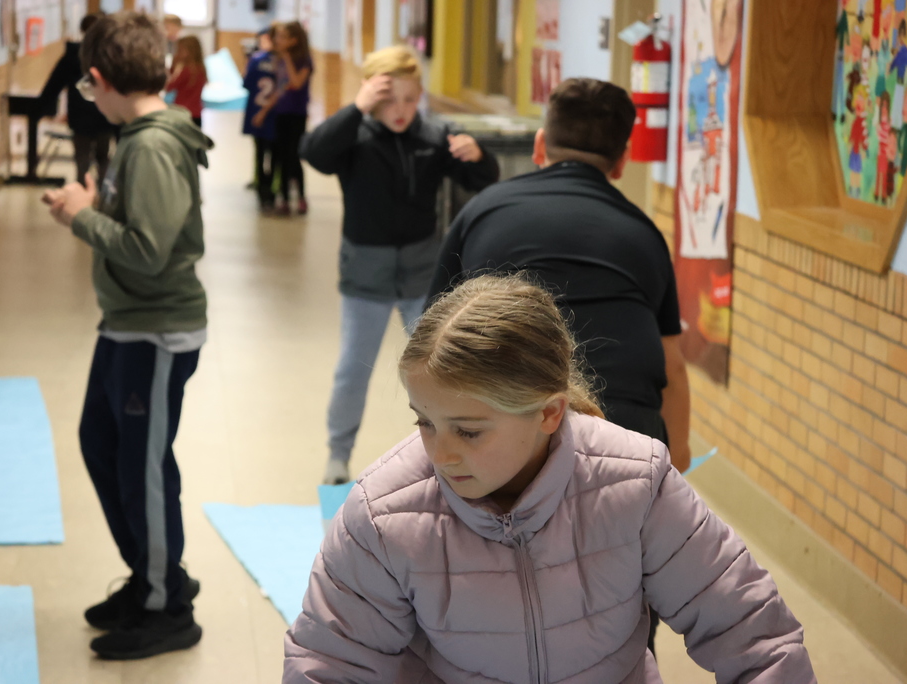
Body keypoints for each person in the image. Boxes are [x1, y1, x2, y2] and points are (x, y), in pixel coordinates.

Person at [283, 273, 816, 683]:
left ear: (548, 413)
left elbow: (753, 634)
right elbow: (328, 665)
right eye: (424, 421)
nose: (440, 453)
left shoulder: (635, 483)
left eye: (468, 431)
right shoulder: (383, 515)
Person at [426, 79, 690, 656]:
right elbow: (672, 361)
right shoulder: (644, 233)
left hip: (504, 425)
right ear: (621, 162)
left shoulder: (484, 210)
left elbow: (434, 342)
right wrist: (674, 462)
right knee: (619, 608)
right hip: (627, 435)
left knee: (494, 610)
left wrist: (439, 438)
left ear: (540, 144)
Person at [40, 10, 213, 660]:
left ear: (100, 79)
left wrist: (83, 218)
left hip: (157, 332)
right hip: (126, 323)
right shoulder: (137, 138)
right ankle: (150, 574)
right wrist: (97, 205)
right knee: (100, 443)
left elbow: (148, 250)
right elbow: (141, 225)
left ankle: (167, 605)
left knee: (142, 469)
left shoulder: (152, 146)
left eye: (88, 90)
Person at [299, 44, 499, 486]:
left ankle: (453, 453)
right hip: (365, 273)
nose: (401, 110)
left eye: (410, 99)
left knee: (442, 368)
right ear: (370, 95)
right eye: (389, 100)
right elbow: (314, 152)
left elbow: (483, 178)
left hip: (422, 274)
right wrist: (357, 107)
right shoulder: (354, 136)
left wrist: (479, 155)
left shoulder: (434, 136)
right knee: (353, 369)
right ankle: (338, 453)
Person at [38, 12, 118, 187]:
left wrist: (44, 107)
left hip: (79, 114)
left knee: (82, 157)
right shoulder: (111, 55)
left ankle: (83, 191)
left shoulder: (73, 55)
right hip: (104, 114)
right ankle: (104, 193)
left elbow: (55, 82)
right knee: (103, 157)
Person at [271, 21, 313, 215]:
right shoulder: (278, 59)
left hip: (296, 114)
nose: (278, 40)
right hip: (281, 112)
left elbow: (296, 83)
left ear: (294, 40)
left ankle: (302, 197)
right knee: (281, 156)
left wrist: (287, 59)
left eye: (283, 37)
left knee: (294, 156)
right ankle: (285, 198)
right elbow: (280, 86)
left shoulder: (304, 60)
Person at [243, 24, 283, 211]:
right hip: (276, 116)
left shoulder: (256, 60)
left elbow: (246, 83)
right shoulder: (282, 62)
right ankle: (273, 191)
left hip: (257, 112)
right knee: (275, 155)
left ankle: (261, 189)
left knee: (260, 153)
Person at [166, 36, 208, 128]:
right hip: (196, 113)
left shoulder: (186, 71)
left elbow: (168, 87)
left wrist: (175, 68)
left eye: (180, 50)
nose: (177, 53)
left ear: (188, 51)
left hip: (181, 112)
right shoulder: (201, 69)